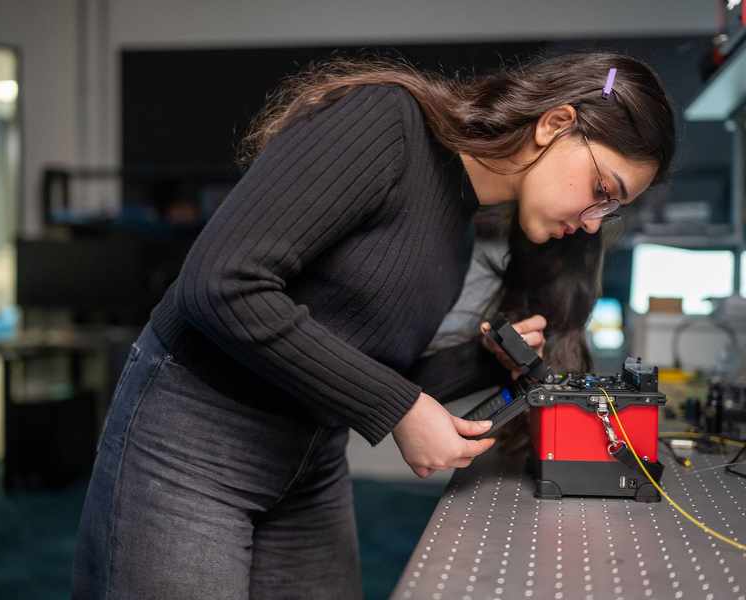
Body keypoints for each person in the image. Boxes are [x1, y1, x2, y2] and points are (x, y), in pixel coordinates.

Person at [72, 51, 675, 599]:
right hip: (190, 450)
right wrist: (403, 409)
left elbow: (349, 364)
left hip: (308, 463)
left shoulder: (459, 223)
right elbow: (221, 283)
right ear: (555, 123)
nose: (596, 222)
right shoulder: (386, 124)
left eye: (611, 209)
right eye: (602, 190)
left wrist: (481, 363)